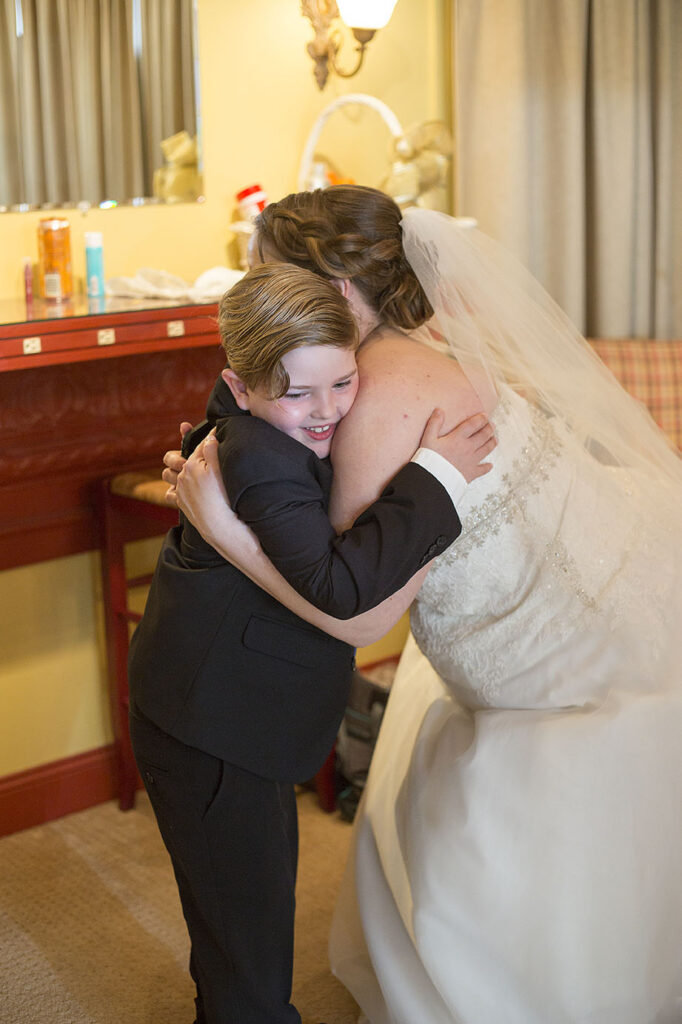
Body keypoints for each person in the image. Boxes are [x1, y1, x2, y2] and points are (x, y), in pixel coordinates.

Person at [164, 185, 682, 1024]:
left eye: (268, 277)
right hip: (589, 578)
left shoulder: (376, 394)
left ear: (330, 295)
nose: (257, 295)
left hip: (540, 637)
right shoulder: (415, 350)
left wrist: (220, 526)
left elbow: (362, 612)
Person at [129, 260, 496, 1024]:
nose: (326, 412)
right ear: (241, 388)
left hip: (229, 714)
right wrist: (436, 476)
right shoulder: (261, 461)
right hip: (212, 728)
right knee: (248, 945)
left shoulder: (261, 426)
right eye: (297, 393)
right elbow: (341, 588)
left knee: (242, 924)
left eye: (342, 383)